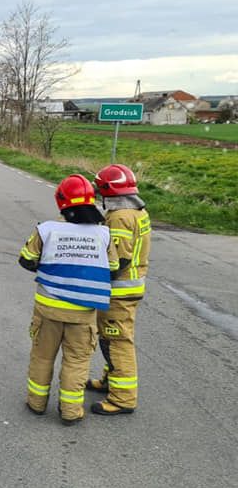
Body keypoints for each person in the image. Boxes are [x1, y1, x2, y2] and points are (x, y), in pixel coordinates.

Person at [18, 175, 118, 425]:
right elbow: (114, 267)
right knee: (76, 362)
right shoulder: (103, 234)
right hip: (83, 314)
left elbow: (26, 259)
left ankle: (36, 403)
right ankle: (71, 411)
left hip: (48, 310)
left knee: (42, 357)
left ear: (61, 201)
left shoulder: (47, 229)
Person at [86, 163, 152, 416]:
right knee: (109, 338)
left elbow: (118, 260)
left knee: (117, 342)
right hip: (129, 289)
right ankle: (109, 381)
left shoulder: (120, 217)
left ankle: (123, 398)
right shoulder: (137, 211)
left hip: (120, 292)